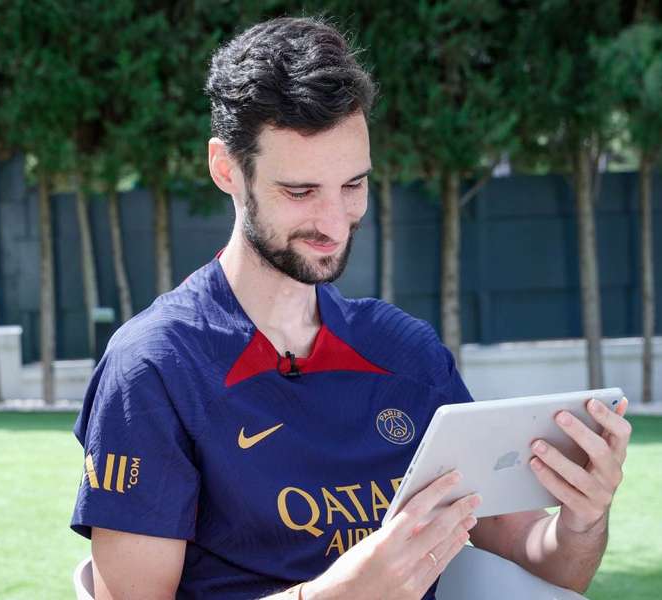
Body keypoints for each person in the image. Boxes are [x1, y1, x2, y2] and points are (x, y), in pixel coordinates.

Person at [69, 16, 631, 600]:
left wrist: (582, 521)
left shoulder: (406, 352)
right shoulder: (153, 369)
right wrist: (338, 594)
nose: (335, 223)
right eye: (301, 191)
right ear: (226, 169)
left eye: (354, 185)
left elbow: (543, 575)